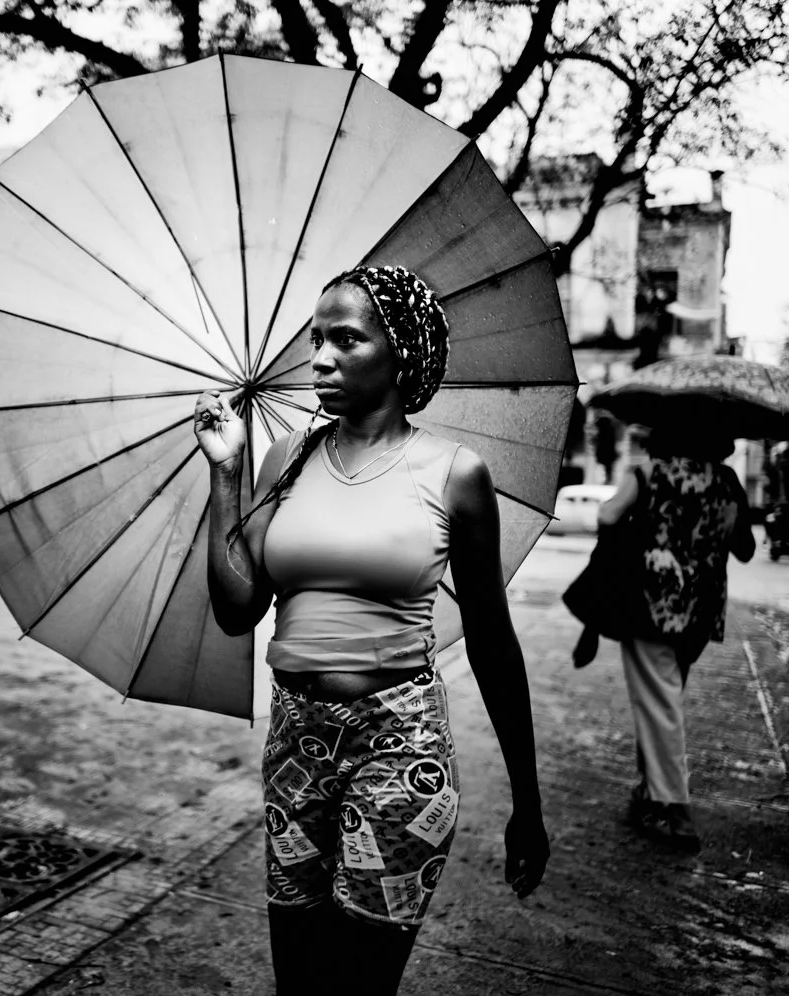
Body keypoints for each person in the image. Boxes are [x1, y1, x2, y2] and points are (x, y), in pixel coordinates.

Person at [194, 265, 549, 996]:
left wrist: (528, 803)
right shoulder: (285, 460)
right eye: (317, 339)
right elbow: (237, 609)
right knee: (298, 977)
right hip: (296, 739)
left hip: (399, 743)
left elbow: (490, 636)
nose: (320, 357)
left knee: (357, 984)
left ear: (401, 354)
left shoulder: (455, 473)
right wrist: (225, 473)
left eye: (345, 339)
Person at [595, 424, 755, 852]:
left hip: (652, 604)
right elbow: (745, 549)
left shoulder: (649, 474)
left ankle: (674, 808)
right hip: (702, 612)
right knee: (663, 699)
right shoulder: (727, 481)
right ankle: (649, 792)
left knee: (659, 703)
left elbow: (608, 515)